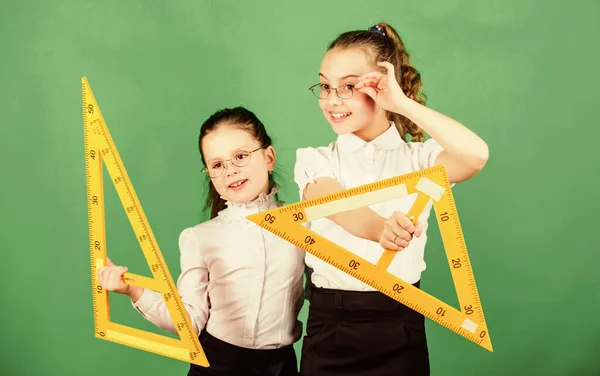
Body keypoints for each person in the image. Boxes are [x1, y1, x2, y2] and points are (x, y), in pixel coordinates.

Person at [294, 22, 490, 376]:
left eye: (349, 86)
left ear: (384, 85)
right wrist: (379, 227)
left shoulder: (420, 160)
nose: (332, 100)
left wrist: (402, 104)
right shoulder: (315, 159)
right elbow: (332, 202)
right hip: (331, 326)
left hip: (401, 322)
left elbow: (475, 156)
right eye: (325, 86)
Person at [97, 107, 305, 376]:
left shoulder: (305, 227)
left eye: (240, 156)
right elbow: (189, 321)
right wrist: (133, 291)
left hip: (281, 368)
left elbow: (327, 291)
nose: (230, 170)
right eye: (217, 164)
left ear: (269, 157)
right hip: (217, 365)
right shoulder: (200, 237)